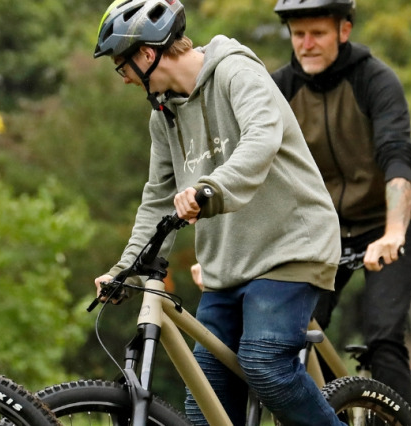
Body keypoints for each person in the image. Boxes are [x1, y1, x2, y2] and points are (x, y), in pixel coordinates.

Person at [90, 0, 343, 425]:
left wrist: (210, 187)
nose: (125, 78)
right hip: (229, 265)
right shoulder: (164, 114)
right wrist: (126, 269)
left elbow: (262, 138)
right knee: (207, 404)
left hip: (292, 248)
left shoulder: (236, 72)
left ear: (148, 54)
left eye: (123, 65)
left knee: (265, 365)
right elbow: (157, 195)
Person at [270, 0, 411, 404]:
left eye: (318, 34)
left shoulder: (375, 80)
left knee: (384, 335)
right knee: (300, 332)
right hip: (323, 226)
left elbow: (397, 155)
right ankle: (331, 409)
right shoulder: (279, 89)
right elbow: (253, 170)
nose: (306, 44)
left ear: (344, 31)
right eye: (298, 34)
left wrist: (394, 232)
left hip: (387, 218)